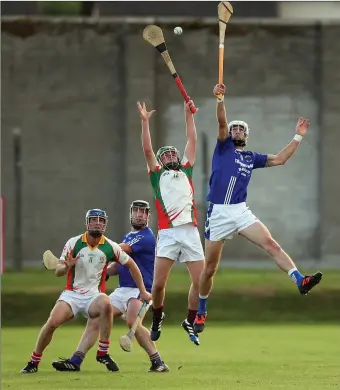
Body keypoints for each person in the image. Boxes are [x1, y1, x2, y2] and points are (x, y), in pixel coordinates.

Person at [194, 84, 323, 334]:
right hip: (218, 212)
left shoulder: (251, 157)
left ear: (247, 135)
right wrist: (220, 100)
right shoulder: (223, 148)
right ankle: (201, 311)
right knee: (210, 269)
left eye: (241, 128)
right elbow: (221, 123)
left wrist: (298, 136)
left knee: (271, 244)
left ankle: (300, 280)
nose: (237, 130)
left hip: (240, 211)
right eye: (235, 128)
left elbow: (280, 159)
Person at [21, 208, 151, 374]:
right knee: (52, 323)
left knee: (106, 303)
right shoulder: (73, 243)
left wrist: (143, 290)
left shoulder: (110, 247)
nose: (98, 222)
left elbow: (131, 265)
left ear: (105, 224)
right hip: (71, 295)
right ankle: (34, 361)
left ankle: (103, 352)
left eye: (101, 220)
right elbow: (58, 271)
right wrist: (66, 266)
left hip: (93, 297)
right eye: (94, 219)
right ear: (86, 223)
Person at [52, 201, 168, 373]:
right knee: (97, 316)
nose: (138, 214)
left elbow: (116, 251)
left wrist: (91, 256)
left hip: (139, 289)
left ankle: (158, 362)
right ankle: (76, 361)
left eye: (143, 212)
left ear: (148, 217)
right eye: (135, 211)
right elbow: (117, 265)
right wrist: (102, 271)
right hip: (122, 290)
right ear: (130, 214)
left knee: (132, 321)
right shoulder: (129, 235)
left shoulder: (146, 237)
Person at [137, 100, 205, 346]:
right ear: (161, 161)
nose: (169, 156)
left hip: (190, 232)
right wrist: (145, 123)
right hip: (167, 234)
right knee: (158, 286)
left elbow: (192, 140)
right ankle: (157, 317)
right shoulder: (157, 175)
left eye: (172, 153)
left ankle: (189, 320)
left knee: (201, 282)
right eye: (164, 155)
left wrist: (189, 115)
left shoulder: (186, 170)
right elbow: (147, 151)